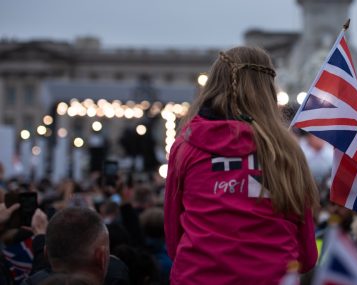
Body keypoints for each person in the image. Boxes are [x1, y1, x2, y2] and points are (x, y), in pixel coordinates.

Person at [164, 47, 319, 285]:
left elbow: (173, 240)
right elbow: (307, 255)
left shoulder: (185, 145)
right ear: (269, 90)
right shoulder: (289, 151)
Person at [23, 207, 128, 285]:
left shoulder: (31, 282)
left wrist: (40, 237)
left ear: (45, 254)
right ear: (102, 257)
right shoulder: (117, 277)